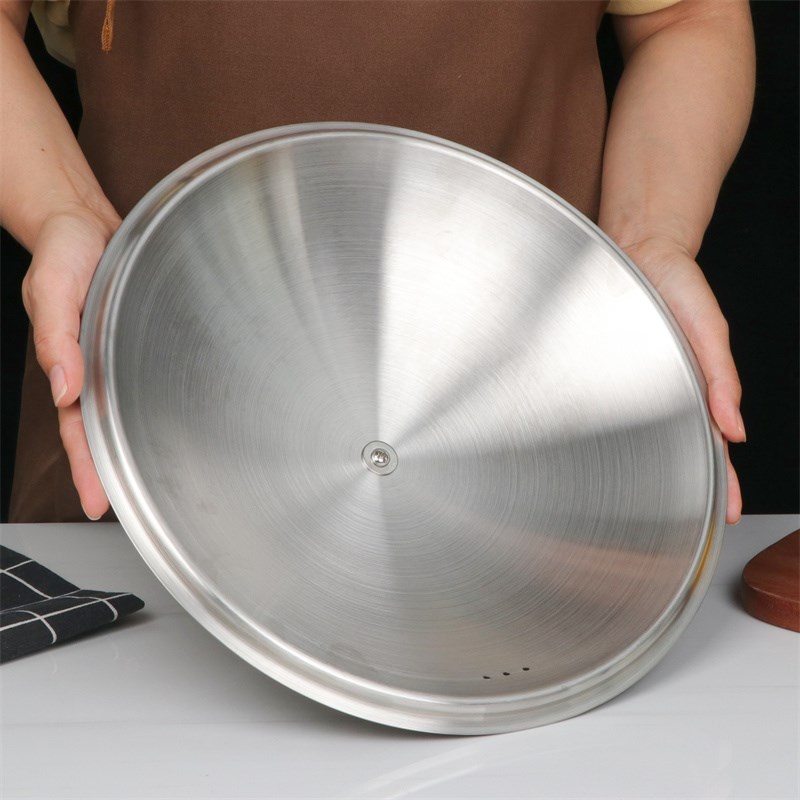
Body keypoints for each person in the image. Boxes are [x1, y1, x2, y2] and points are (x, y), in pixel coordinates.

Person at [1, 0, 754, 524]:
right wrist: (63, 212)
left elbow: (686, 16)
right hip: (138, 426)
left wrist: (649, 238)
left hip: (532, 445)